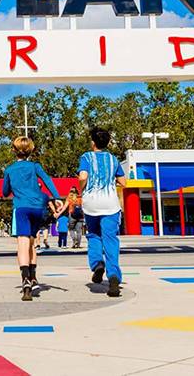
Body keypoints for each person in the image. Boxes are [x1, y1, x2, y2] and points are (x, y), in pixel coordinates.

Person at [1, 136, 63, 302]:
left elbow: (5, 192)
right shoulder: (35, 166)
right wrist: (57, 197)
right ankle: (34, 277)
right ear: (30, 150)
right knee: (32, 242)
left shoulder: (9, 169)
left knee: (22, 243)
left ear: (14, 150)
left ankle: (26, 281)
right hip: (38, 208)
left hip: (21, 208)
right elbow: (47, 180)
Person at [79, 127, 126, 297]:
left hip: (91, 204)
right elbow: (123, 182)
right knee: (111, 239)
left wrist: (82, 189)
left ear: (93, 142)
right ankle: (113, 276)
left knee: (94, 235)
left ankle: (97, 264)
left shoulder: (86, 157)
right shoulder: (113, 159)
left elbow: (83, 176)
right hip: (110, 205)